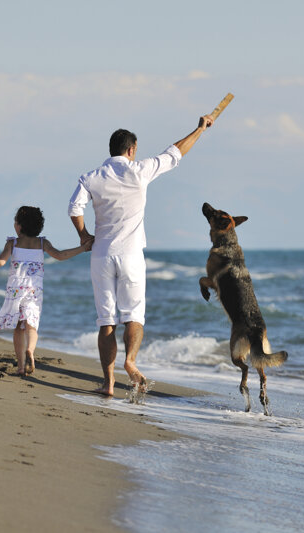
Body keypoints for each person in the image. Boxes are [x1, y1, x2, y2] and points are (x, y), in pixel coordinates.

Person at [68, 114, 215, 397]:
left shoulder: (91, 177)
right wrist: (200, 128)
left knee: (106, 320)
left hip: (101, 254)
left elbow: (74, 208)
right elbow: (175, 152)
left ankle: (109, 383)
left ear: (111, 149)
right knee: (134, 314)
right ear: (131, 150)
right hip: (132, 254)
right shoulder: (139, 171)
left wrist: (84, 236)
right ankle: (130, 361)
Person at [0, 206, 92, 376]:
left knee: (19, 327)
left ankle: (20, 366)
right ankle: (30, 351)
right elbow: (61, 255)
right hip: (34, 290)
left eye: (15, 221)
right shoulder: (42, 243)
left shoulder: (13, 243)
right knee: (31, 326)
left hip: (15, 290)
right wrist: (83, 248)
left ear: (19, 226)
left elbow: (1, 262)